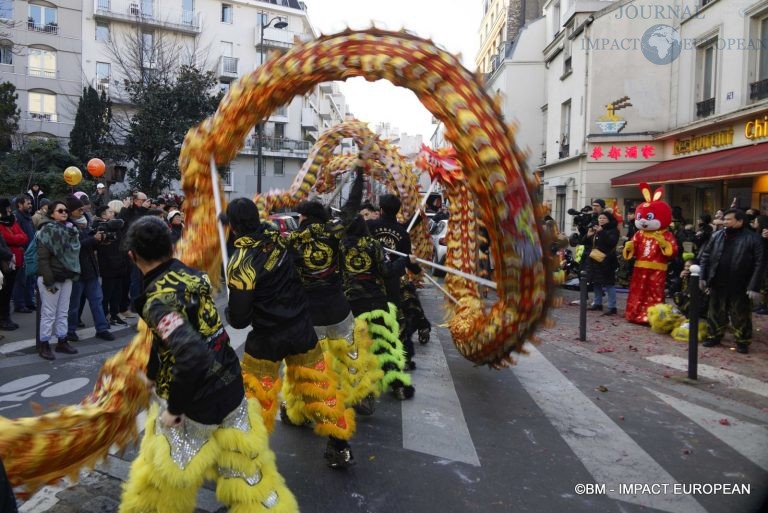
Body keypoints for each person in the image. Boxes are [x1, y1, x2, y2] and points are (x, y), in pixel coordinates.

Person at [119, 216, 298, 513]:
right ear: (171, 246)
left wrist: (174, 409)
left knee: (164, 481)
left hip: (194, 403)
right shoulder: (192, 275)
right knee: (247, 473)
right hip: (229, 385)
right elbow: (167, 337)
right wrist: (152, 373)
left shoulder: (157, 299)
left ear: (132, 256)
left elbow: (190, 353)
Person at [225, 197, 357, 469]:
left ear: (234, 226)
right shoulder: (280, 241)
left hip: (267, 339)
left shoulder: (241, 262)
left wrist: (230, 310)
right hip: (300, 328)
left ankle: (247, 461)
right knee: (320, 388)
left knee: (256, 400)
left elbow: (238, 321)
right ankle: (340, 445)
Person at [287, 166, 382, 416]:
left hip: (310, 312)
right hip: (338, 306)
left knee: (311, 362)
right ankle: (362, 395)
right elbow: (352, 207)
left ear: (304, 218)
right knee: (352, 354)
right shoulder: (334, 231)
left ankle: (308, 406)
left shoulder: (293, 241)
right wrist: (359, 176)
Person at [341, 210, 416, 400]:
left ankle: (354, 388)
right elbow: (386, 270)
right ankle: (398, 386)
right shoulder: (373, 245)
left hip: (350, 303)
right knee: (385, 346)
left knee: (352, 348)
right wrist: (404, 260)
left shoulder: (340, 245)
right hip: (374, 301)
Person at [366, 194, 424, 369]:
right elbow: (406, 259)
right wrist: (417, 269)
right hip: (392, 284)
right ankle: (398, 358)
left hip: (371, 282)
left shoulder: (369, 226)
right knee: (395, 322)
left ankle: (373, 359)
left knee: (371, 322)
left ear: (381, 210)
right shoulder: (402, 234)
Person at [699, 209, 765, 354]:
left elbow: (760, 264)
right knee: (715, 311)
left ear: (740, 221)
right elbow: (705, 256)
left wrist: (754, 286)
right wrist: (703, 277)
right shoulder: (716, 235)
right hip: (717, 281)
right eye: (724, 219)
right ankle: (714, 335)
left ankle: (742, 341)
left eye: (728, 219)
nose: (724, 222)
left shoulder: (754, 239)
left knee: (740, 314)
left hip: (740, 284)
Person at [64, 196, 114, 343]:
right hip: (77, 270)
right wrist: (94, 239)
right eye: (79, 209)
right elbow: (74, 247)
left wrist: (101, 240)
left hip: (90, 269)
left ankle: (102, 329)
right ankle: (69, 330)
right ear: (72, 211)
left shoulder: (84, 223)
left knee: (97, 301)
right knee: (74, 304)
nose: (83, 211)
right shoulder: (67, 226)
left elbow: (89, 244)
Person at [36, 200, 81, 359]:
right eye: (60, 210)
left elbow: (73, 256)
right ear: (52, 213)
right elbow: (42, 259)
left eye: (66, 210)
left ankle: (62, 341)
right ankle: (44, 345)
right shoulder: (46, 231)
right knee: (49, 313)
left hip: (66, 277)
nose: (64, 213)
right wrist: (49, 282)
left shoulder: (71, 231)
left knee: (63, 312)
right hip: (51, 278)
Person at [94, 205, 127, 326]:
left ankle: (114, 315)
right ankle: (103, 316)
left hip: (119, 263)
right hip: (108, 265)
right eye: (110, 212)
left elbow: (121, 223)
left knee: (117, 293)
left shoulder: (115, 226)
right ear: (103, 215)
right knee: (107, 293)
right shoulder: (99, 226)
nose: (113, 213)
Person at [0, 198, 28, 331]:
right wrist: (17, 239)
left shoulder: (12, 220)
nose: (9, 210)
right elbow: (7, 238)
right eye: (6, 208)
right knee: (4, 292)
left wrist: (16, 239)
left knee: (9, 289)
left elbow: (24, 236)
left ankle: (6, 318)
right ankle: (3, 319)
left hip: (16, 259)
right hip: (5, 260)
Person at [585, 213, 620, 315]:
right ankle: (598, 303)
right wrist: (588, 235)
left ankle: (612, 307)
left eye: (604, 218)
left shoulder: (613, 230)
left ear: (609, 219)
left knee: (609, 283)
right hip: (595, 259)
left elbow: (611, 243)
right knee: (596, 282)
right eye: (600, 218)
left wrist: (602, 232)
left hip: (607, 260)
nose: (601, 220)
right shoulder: (597, 229)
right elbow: (586, 242)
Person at [11, 194, 36, 313]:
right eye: (28, 203)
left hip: (30, 252)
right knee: (21, 280)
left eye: (30, 203)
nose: (30, 205)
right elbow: (15, 234)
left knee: (30, 278)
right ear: (20, 204)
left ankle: (29, 302)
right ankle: (19, 304)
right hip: (22, 252)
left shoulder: (28, 216)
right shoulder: (16, 217)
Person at [750, 215, 768, 315]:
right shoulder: (758, 233)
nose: (754, 223)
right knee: (763, 285)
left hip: (765, 262)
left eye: (756, 221)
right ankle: (762, 305)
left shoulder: (765, 232)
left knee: (766, 285)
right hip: (762, 262)